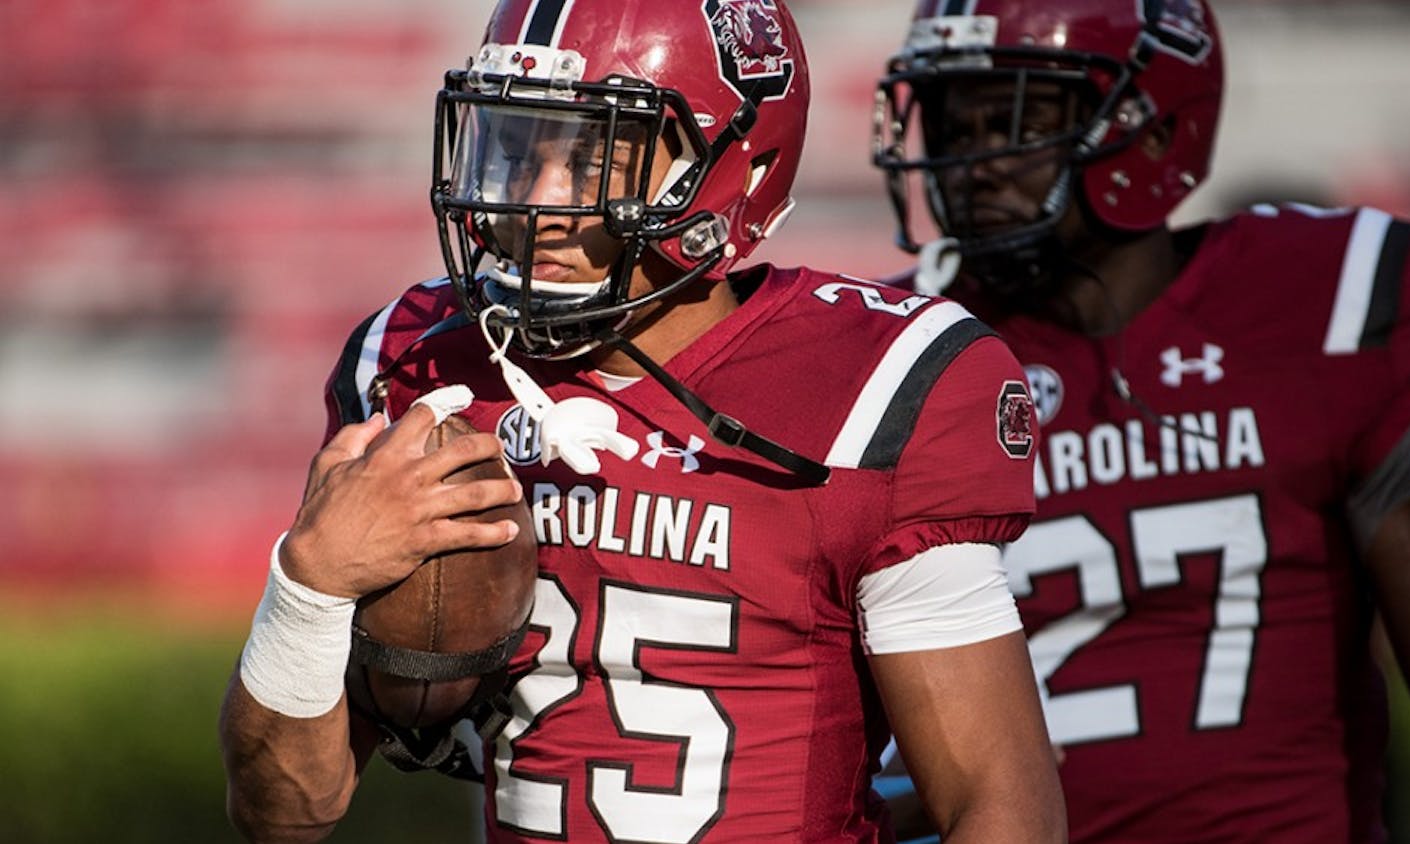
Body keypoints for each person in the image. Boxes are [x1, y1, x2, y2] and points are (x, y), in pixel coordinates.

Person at [217, 0, 1067, 841]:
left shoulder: (868, 388)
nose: (537, 203)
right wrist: (310, 586)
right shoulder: (419, 370)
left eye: (592, 156)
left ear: (731, 168)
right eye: (516, 147)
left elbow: (998, 805)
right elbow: (284, 815)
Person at [870, 0, 1410, 841]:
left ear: (1155, 133)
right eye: (955, 121)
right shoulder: (892, 349)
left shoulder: (1319, 305)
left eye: (1018, 116)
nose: (974, 162)